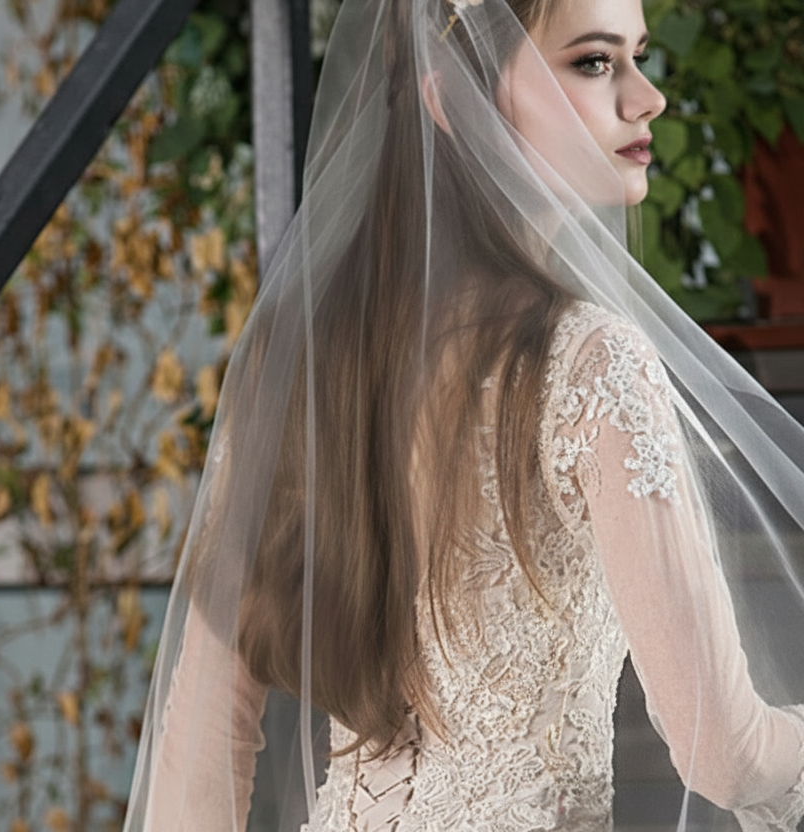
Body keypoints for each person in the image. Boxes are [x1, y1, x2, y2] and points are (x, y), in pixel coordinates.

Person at [122, 0, 804, 830]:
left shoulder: (303, 359)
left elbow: (198, 745)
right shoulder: (589, 363)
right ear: (451, 99)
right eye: (594, 62)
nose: (646, 96)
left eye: (638, 57)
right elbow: (722, 754)